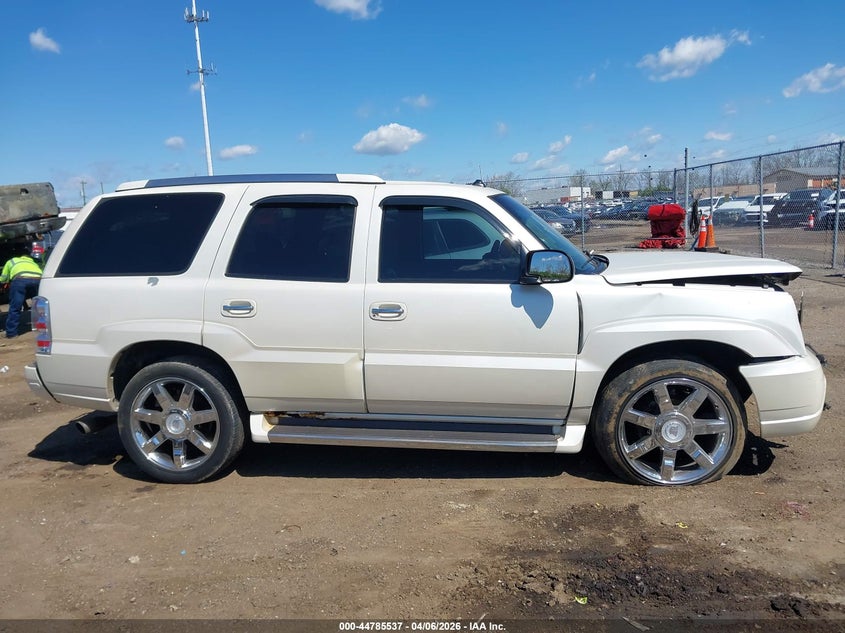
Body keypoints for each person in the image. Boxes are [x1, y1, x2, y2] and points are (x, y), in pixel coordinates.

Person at [1, 243, 43, 338]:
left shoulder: (12, 261)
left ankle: (11, 333)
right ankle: (42, 329)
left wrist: (3, 282)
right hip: (38, 280)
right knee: (39, 306)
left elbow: (3, 278)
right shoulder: (33, 262)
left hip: (20, 280)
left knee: (15, 307)